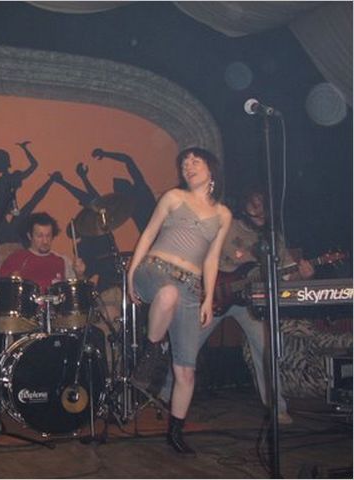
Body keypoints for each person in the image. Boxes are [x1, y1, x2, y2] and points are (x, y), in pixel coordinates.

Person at [159, 188, 314, 425]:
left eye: (263, 207)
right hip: (215, 295)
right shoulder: (228, 225)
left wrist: (302, 274)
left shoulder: (273, 237)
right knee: (187, 345)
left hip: (248, 302)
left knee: (265, 348)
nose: (259, 211)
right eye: (254, 205)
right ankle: (165, 394)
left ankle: (276, 407)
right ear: (245, 206)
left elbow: (286, 273)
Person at [127, 147, 232, 455]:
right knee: (168, 293)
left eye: (195, 161)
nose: (188, 166)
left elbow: (211, 259)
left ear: (211, 170)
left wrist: (207, 298)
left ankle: (175, 431)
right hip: (154, 271)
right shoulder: (173, 197)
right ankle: (152, 349)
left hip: (191, 286)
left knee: (185, 369)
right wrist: (131, 274)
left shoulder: (223, 215)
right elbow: (148, 235)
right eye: (185, 163)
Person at [0, 211, 86, 292]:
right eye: (40, 236)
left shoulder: (63, 260)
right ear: (29, 236)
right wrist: (11, 280)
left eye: (48, 236)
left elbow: (78, 293)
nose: (45, 241)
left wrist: (80, 275)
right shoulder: (16, 258)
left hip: (55, 304)